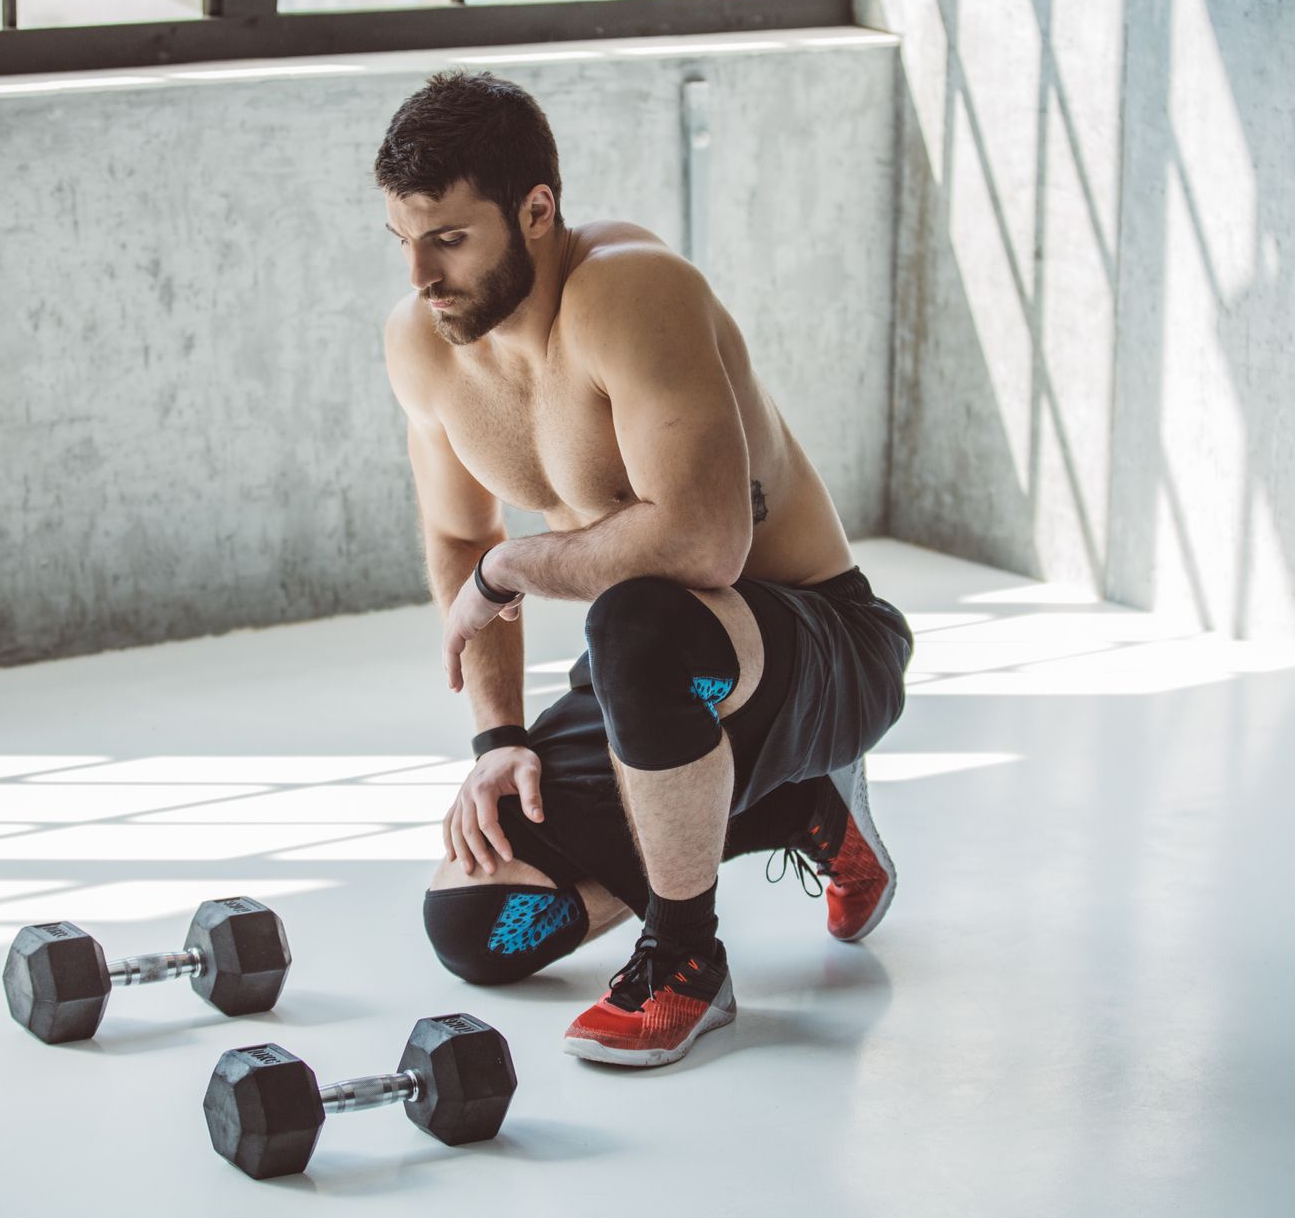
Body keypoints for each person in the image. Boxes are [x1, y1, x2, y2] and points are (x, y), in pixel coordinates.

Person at [376, 70, 914, 1067]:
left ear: (535, 210)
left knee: (635, 623)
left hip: (814, 644)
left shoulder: (628, 291)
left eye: (448, 239)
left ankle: (684, 961)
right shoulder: (425, 344)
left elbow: (705, 548)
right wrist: (496, 740)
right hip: (659, 684)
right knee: (481, 923)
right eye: (402, 241)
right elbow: (460, 538)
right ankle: (792, 806)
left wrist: (512, 568)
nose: (420, 277)